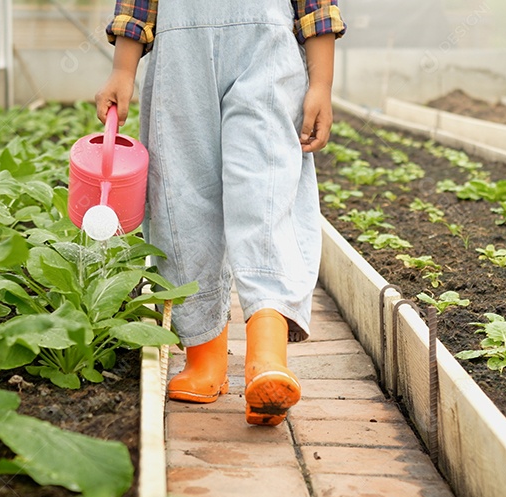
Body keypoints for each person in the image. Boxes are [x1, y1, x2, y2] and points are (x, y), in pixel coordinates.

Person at [96, 1, 345, 426]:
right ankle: (204, 352)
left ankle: (267, 351)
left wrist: (321, 83)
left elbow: (316, 6)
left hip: (265, 49)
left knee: (263, 186)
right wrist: (123, 70)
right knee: (182, 193)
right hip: (180, 55)